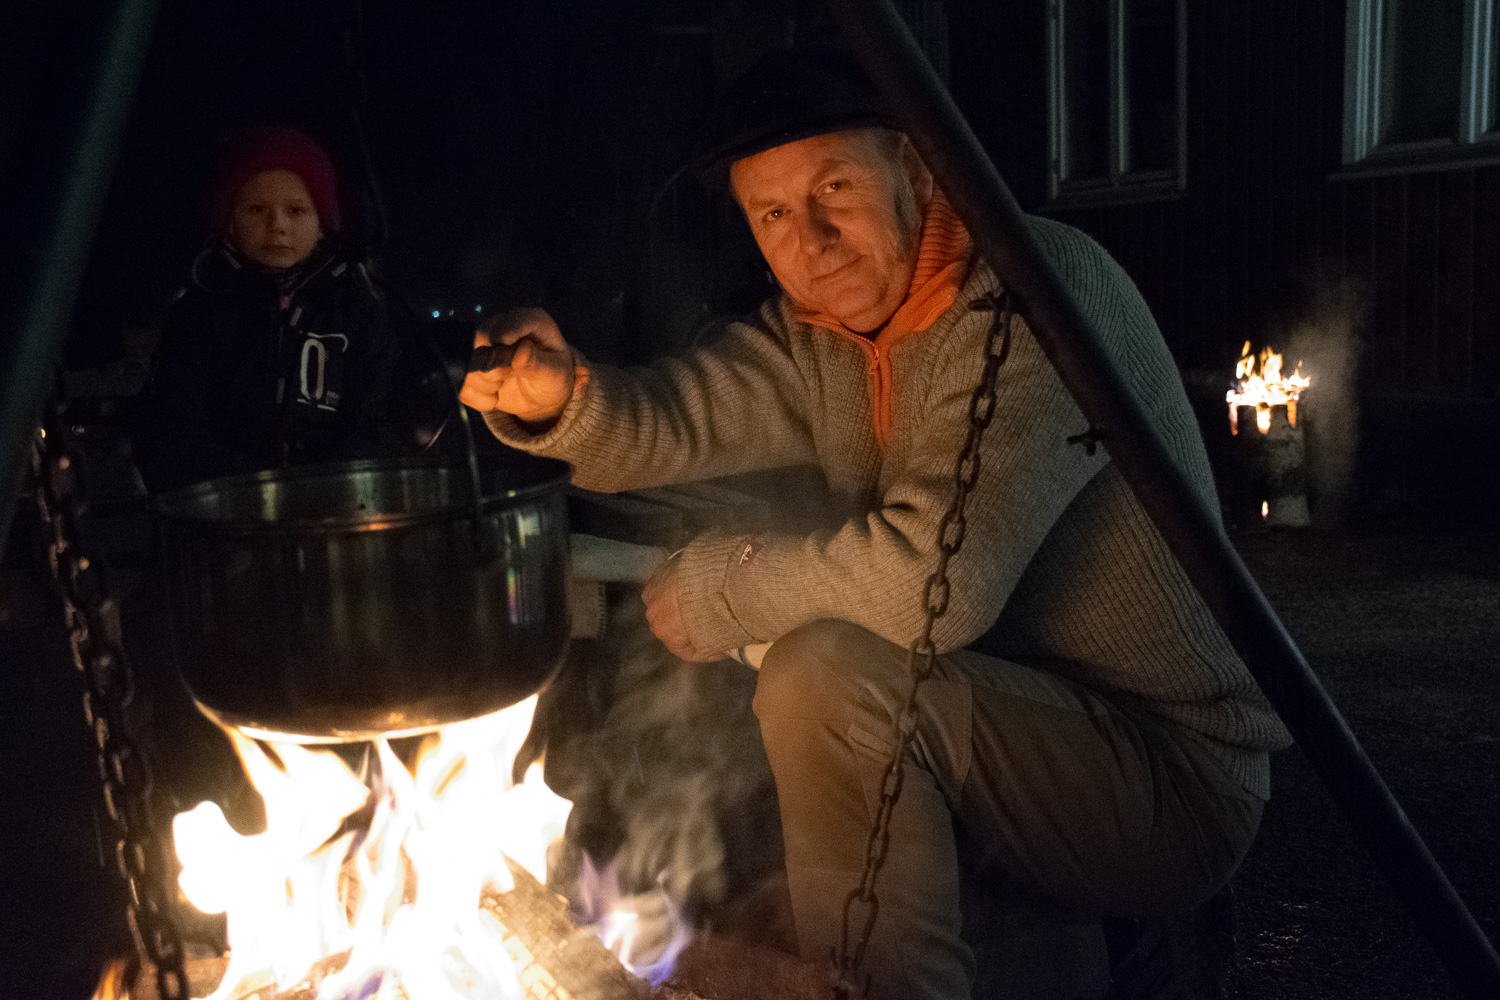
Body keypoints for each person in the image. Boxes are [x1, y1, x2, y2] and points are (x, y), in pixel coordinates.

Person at [461, 48, 1291, 1000]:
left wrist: (724, 585)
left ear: (917, 172)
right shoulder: (828, 333)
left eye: (835, 188)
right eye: (773, 215)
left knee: (825, 680)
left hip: (1169, 776)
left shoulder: (1040, 289)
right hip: (1021, 721)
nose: (811, 238)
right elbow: (681, 416)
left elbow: (936, 585)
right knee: (784, 824)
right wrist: (564, 396)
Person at [133, 124, 403, 491]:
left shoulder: (357, 308)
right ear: (230, 221)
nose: (277, 225)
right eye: (257, 209)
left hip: (338, 506)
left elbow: (377, 418)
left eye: (296, 210)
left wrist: (327, 486)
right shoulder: (202, 310)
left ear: (322, 224)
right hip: (229, 510)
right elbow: (171, 428)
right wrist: (254, 489)